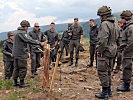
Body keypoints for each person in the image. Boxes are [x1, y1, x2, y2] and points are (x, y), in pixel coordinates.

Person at [13, 20, 46, 88]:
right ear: (24, 26)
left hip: (16, 54)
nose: (28, 28)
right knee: (22, 68)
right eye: (27, 27)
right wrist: (40, 43)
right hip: (21, 54)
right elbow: (28, 40)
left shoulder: (17, 32)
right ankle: (22, 83)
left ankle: (15, 82)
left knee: (16, 68)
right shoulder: (22, 33)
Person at [95, 6, 119, 99]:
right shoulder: (115, 23)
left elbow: (103, 40)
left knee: (102, 71)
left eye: (100, 16)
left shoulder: (105, 24)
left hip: (105, 51)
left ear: (103, 16)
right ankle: (108, 91)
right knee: (109, 71)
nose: (100, 18)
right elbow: (118, 37)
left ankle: (105, 92)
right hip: (113, 50)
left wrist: (99, 51)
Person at [117, 10, 133, 92]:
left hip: (128, 52)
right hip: (126, 51)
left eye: (122, 18)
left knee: (127, 68)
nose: (121, 20)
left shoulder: (130, 28)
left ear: (125, 18)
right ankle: (125, 83)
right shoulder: (127, 27)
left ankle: (126, 86)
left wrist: (126, 51)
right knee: (125, 67)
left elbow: (131, 42)